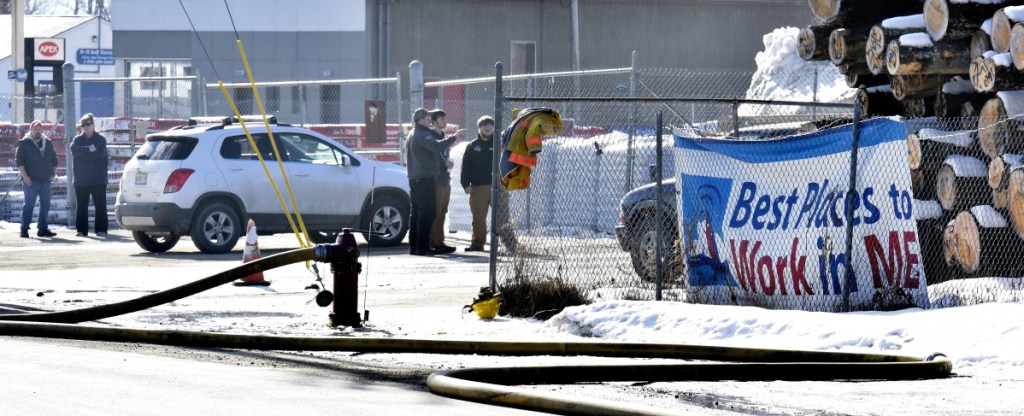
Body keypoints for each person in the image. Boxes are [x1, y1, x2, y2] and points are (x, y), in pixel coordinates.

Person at [406, 108, 464, 255]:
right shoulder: (422, 134)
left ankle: (415, 246)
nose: (429, 122)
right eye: (427, 119)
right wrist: (453, 138)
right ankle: (423, 247)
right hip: (424, 179)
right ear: (421, 120)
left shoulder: (413, 133)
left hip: (415, 178)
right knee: (427, 213)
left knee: (417, 214)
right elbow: (435, 146)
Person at [460, 115, 519, 252]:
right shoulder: (472, 146)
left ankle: (511, 245)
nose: (487, 128)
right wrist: (465, 184)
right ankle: (477, 243)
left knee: (503, 217)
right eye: (484, 125)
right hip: (477, 188)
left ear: (494, 128)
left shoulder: (500, 144)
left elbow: (510, 162)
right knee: (478, 217)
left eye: (490, 125)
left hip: (499, 187)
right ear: (479, 128)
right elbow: (465, 167)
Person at [15, 121, 59, 238]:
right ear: (31, 130)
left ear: (42, 130)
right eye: (35, 129)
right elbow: (19, 161)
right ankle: (24, 229)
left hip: (45, 180)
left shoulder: (48, 142)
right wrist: (25, 177)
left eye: (39, 129)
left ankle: (42, 229)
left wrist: (53, 172)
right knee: (29, 205)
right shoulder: (24, 143)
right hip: (31, 180)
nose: (37, 131)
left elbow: (54, 159)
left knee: (46, 204)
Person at [70, 113, 109, 237]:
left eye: (88, 124)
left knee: (100, 206)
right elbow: (75, 152)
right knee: (81, 206)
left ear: (93, 125)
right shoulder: (77, 140)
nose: (85, 127)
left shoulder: (101, 140)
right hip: (81, 180)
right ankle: (81, 230)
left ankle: (101, 229)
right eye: (83, 125)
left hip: (98, 179)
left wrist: (84, 154)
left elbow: (100, 155)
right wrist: (90, 149)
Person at [428, 108, 458, 253]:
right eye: (441, 119)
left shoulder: (443, 135)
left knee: (443, 211)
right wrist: (443, 163)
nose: (445, 122)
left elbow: (445, 155)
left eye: (445, 119)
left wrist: (448, 162)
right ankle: (436, 242)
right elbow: (432, 155)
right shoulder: (431, 137)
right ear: (433, 122)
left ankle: (438, 241)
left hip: (445, 178)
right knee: (437, 211)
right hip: (436, 179)